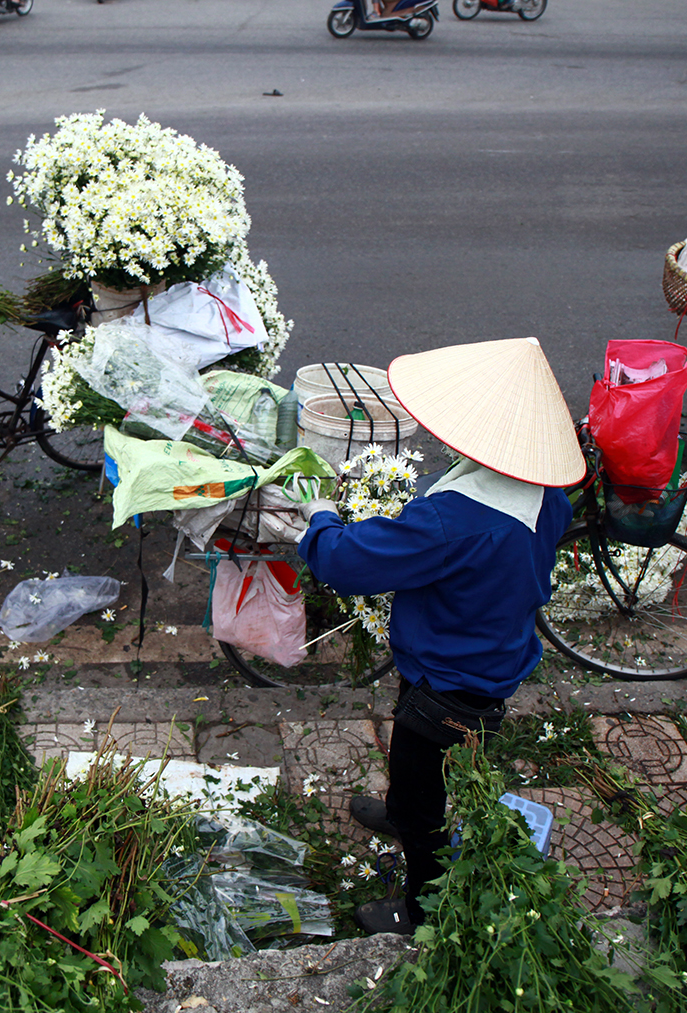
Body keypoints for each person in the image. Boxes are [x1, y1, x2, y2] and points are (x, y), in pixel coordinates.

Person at [292, 337, 583, 935]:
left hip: (450, 680)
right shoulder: (545, 494)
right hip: (490, 654)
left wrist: (320, 516)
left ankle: (420, 904)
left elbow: (343, 562)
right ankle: (403, 812)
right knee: (421, 767)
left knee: (424, 792)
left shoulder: (454, 520)